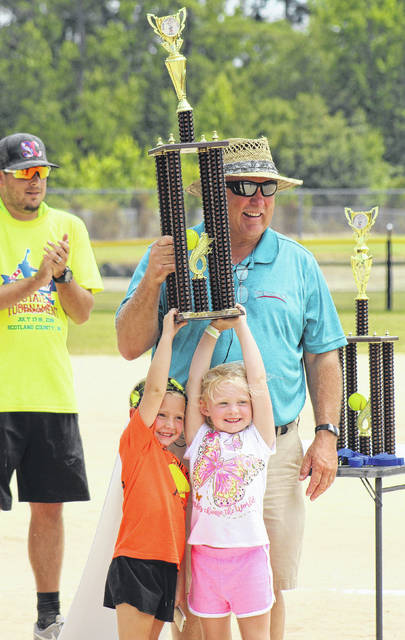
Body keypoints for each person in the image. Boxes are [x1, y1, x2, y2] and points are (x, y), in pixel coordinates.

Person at [115, 136, 347, 640]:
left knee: (266, 584)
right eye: (243, 187)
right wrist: (154, 281)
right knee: (193, 583)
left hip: (273, 448)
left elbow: (324, 351)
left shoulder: (298, 262)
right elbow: (129, 345)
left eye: (268, 188)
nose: (258, 199)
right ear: (214, 195)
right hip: (185, 449)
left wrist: (327, 432)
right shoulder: (176, 253)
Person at [0, 132, 103, 640]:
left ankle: (47, 616)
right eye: (24, 173)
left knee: (49, 508)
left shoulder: (69, 227)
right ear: (3, 177)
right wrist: (40, 277)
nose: (35, 182)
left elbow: (82, 314)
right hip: (1, 395)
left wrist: (61, 278)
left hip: (50, 394)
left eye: (41, 173)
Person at [184, 307, 276, 640]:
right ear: (205, 409)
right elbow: (195, 383)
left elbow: (259, 382)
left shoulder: (259, 439)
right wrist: (211, 332)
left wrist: (241, 326)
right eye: (223, 404)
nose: (234, 410)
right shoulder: (199, 438)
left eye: (241, 402)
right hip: (206, 558)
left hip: (249, 556)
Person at [103, 308, 190, 640]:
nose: (169, 424)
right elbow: (154, 392)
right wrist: (166, 336)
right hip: (136, 564)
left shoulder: (176, 465)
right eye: (161, 415)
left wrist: (180, 577)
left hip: (167, 567)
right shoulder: (137, 444)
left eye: (177, 417)